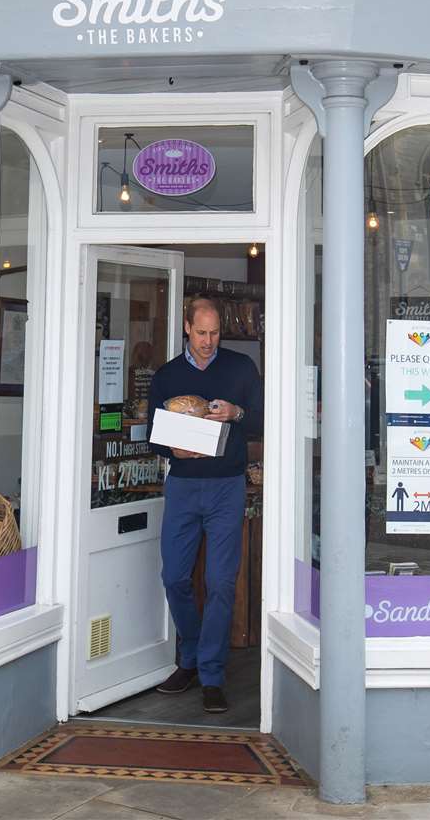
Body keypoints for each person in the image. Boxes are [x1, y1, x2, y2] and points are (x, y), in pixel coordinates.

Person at [148, 295, 263, 714]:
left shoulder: (240, 368)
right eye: (201, 333)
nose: (209, 342)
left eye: (215, 333)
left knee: (219, 583)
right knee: (174, 578)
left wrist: (236, 412)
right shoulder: (167, 375)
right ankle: (192, 656)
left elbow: (265, 418)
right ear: (186, 327)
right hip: (182, 486)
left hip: (225, 487)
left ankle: (211, 673)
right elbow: (152, 433)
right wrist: (174, 452)